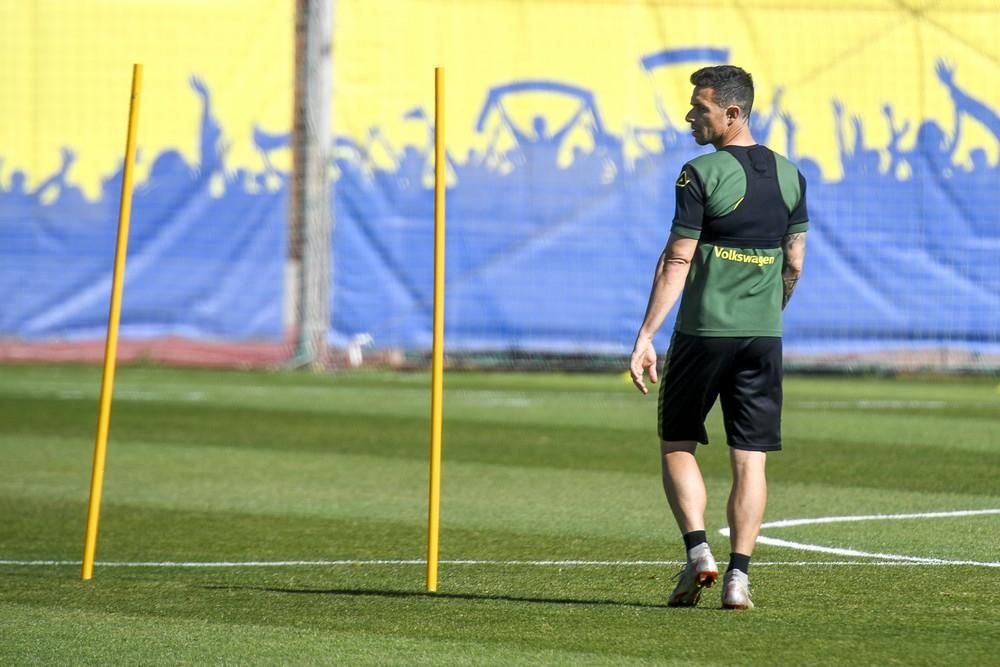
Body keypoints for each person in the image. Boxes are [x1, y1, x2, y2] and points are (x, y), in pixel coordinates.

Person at [628, 65, 808, 610]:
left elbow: (677, 258)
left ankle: (698, 552)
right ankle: (738, 579)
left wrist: (646, 335)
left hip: (703, 333)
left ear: (732, 113)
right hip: (763, 337)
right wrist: (766, 311)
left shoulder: (698, 173)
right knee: (750, 458)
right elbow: (794, 262)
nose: (690, 115)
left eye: (699, 107)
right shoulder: (791, 175)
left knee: (677, 443)